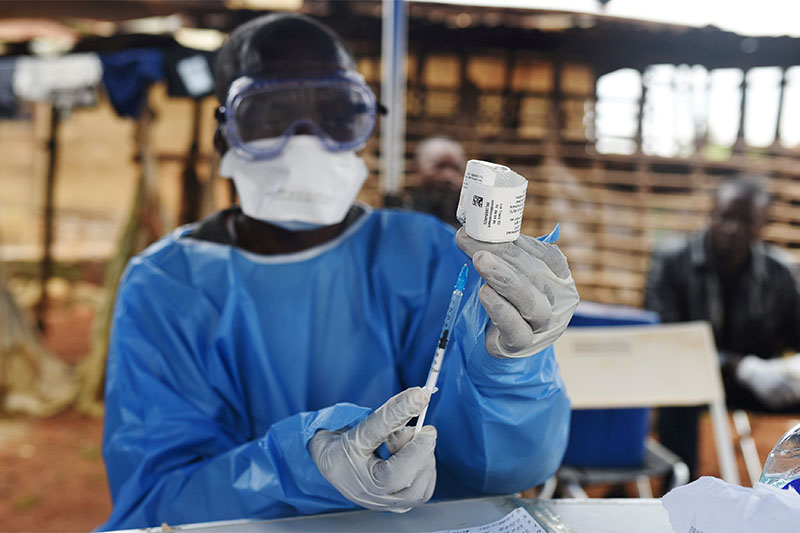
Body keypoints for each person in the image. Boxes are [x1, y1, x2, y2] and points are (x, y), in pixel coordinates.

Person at [99, 13, 579, 531]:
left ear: (365, 129)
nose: (305, 141)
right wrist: (301, 468)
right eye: (270, 115)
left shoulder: (423, 255)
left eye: (335, 115)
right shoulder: (167, 287)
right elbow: (155, 504)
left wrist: (508, 374)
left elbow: (506, 469)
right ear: (225, 135)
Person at [645, 175, 800, 479]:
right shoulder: (671, 261)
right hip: (689, 378)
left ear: (762, 225)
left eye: (746, 221)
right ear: (712, 213)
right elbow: (666, 338)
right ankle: (680, 493)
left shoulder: (779, 273)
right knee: (680, 399)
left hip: (758, 383)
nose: (733, 228)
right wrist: (741, 366)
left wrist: (788, 372)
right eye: (727, 216)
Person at [405, 136, 465, 227]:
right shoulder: (405, 215)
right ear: (416, 168)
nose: (448, 177)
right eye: (440, 166)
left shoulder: (467, 221)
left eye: (456, 168)